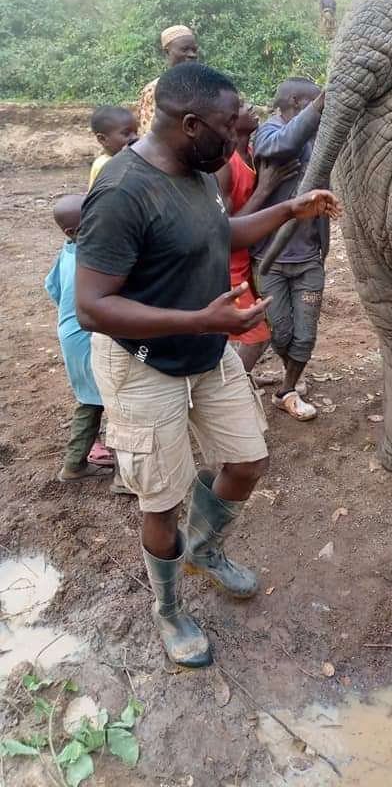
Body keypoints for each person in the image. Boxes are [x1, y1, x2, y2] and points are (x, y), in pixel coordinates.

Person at [75, 62, 340, 668]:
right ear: (191, 124)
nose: (239, 132)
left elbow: (220, 235)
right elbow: (92, 306)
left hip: (206, 347)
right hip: (144, 365)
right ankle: (168, 609)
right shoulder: (121, 191)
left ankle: (204, 547)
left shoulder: (198, 174)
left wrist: (292, 209)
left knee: (247, 461)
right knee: (160, 501)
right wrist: (203, 321)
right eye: (228, 123)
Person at [251, 78, 327, 422]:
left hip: (308, 257)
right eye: (311, 104)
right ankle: (291, 373)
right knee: (280, 331)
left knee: (306, 334)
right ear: (296, 103)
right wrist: (320, 105)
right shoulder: (268, 133)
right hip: (271, 259)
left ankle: (288, 388)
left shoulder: (312, 140)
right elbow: (279, 146)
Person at [45, 195, 125, 490]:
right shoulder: (89, 258)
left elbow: (52, 287)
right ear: (72, 232)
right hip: (87, 338)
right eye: (91, 221)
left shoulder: (67, 253)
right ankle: (124, 477)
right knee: (116, 405)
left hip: (71, 335)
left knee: (90, 403)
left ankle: (74, 465)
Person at [216, 102, 300, 374]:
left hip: (250, 259)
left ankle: (240, 379)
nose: (250, 106)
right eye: (239, 105)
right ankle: (233, 389)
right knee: (257, 335)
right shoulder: (226, 165)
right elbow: (227, 230)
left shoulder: (252, 153)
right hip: (228, 266)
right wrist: (265, 189)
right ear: (228, 119)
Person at [137, 25, 199, 136]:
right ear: (167, 52)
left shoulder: (203, 85)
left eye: (194, 50)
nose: (192, 54)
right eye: (184, 50)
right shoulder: (154, 89)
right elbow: (148, 134)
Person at [88, 106, 138, 189]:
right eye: (126, 133)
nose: (135, 137)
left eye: (135, 132)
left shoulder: (127, 159)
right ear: (102, 139)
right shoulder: (105, 165)